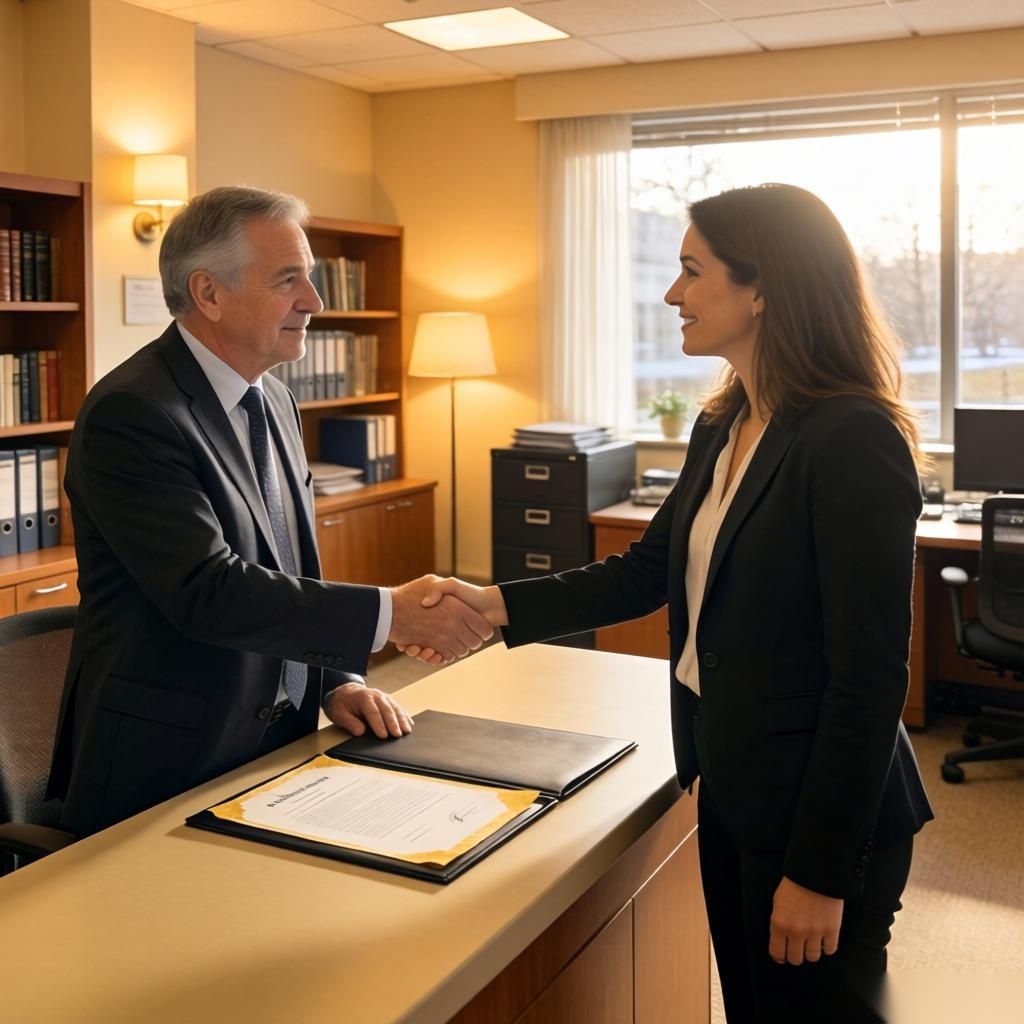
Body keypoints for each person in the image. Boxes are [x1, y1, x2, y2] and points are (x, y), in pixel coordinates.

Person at [404, 184, 934, 1022]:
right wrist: (491, 603)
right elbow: (643, 572)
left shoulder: (851, 438)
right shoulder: (723, 423)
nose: (671, 295)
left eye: (692, 270)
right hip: (729, 782)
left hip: (820, 819)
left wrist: (820, 872)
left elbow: (868, 680)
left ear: (764, 289)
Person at [47, 185, 491, 839]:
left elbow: (286, 564)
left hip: (275, 750)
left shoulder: (276, 401)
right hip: (163, 771)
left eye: (308, 279)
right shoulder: (133, 414)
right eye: (289, 280)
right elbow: (209, 590)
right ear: (209, 294)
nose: (313, 302)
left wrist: (334, 679)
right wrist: (390, 613)